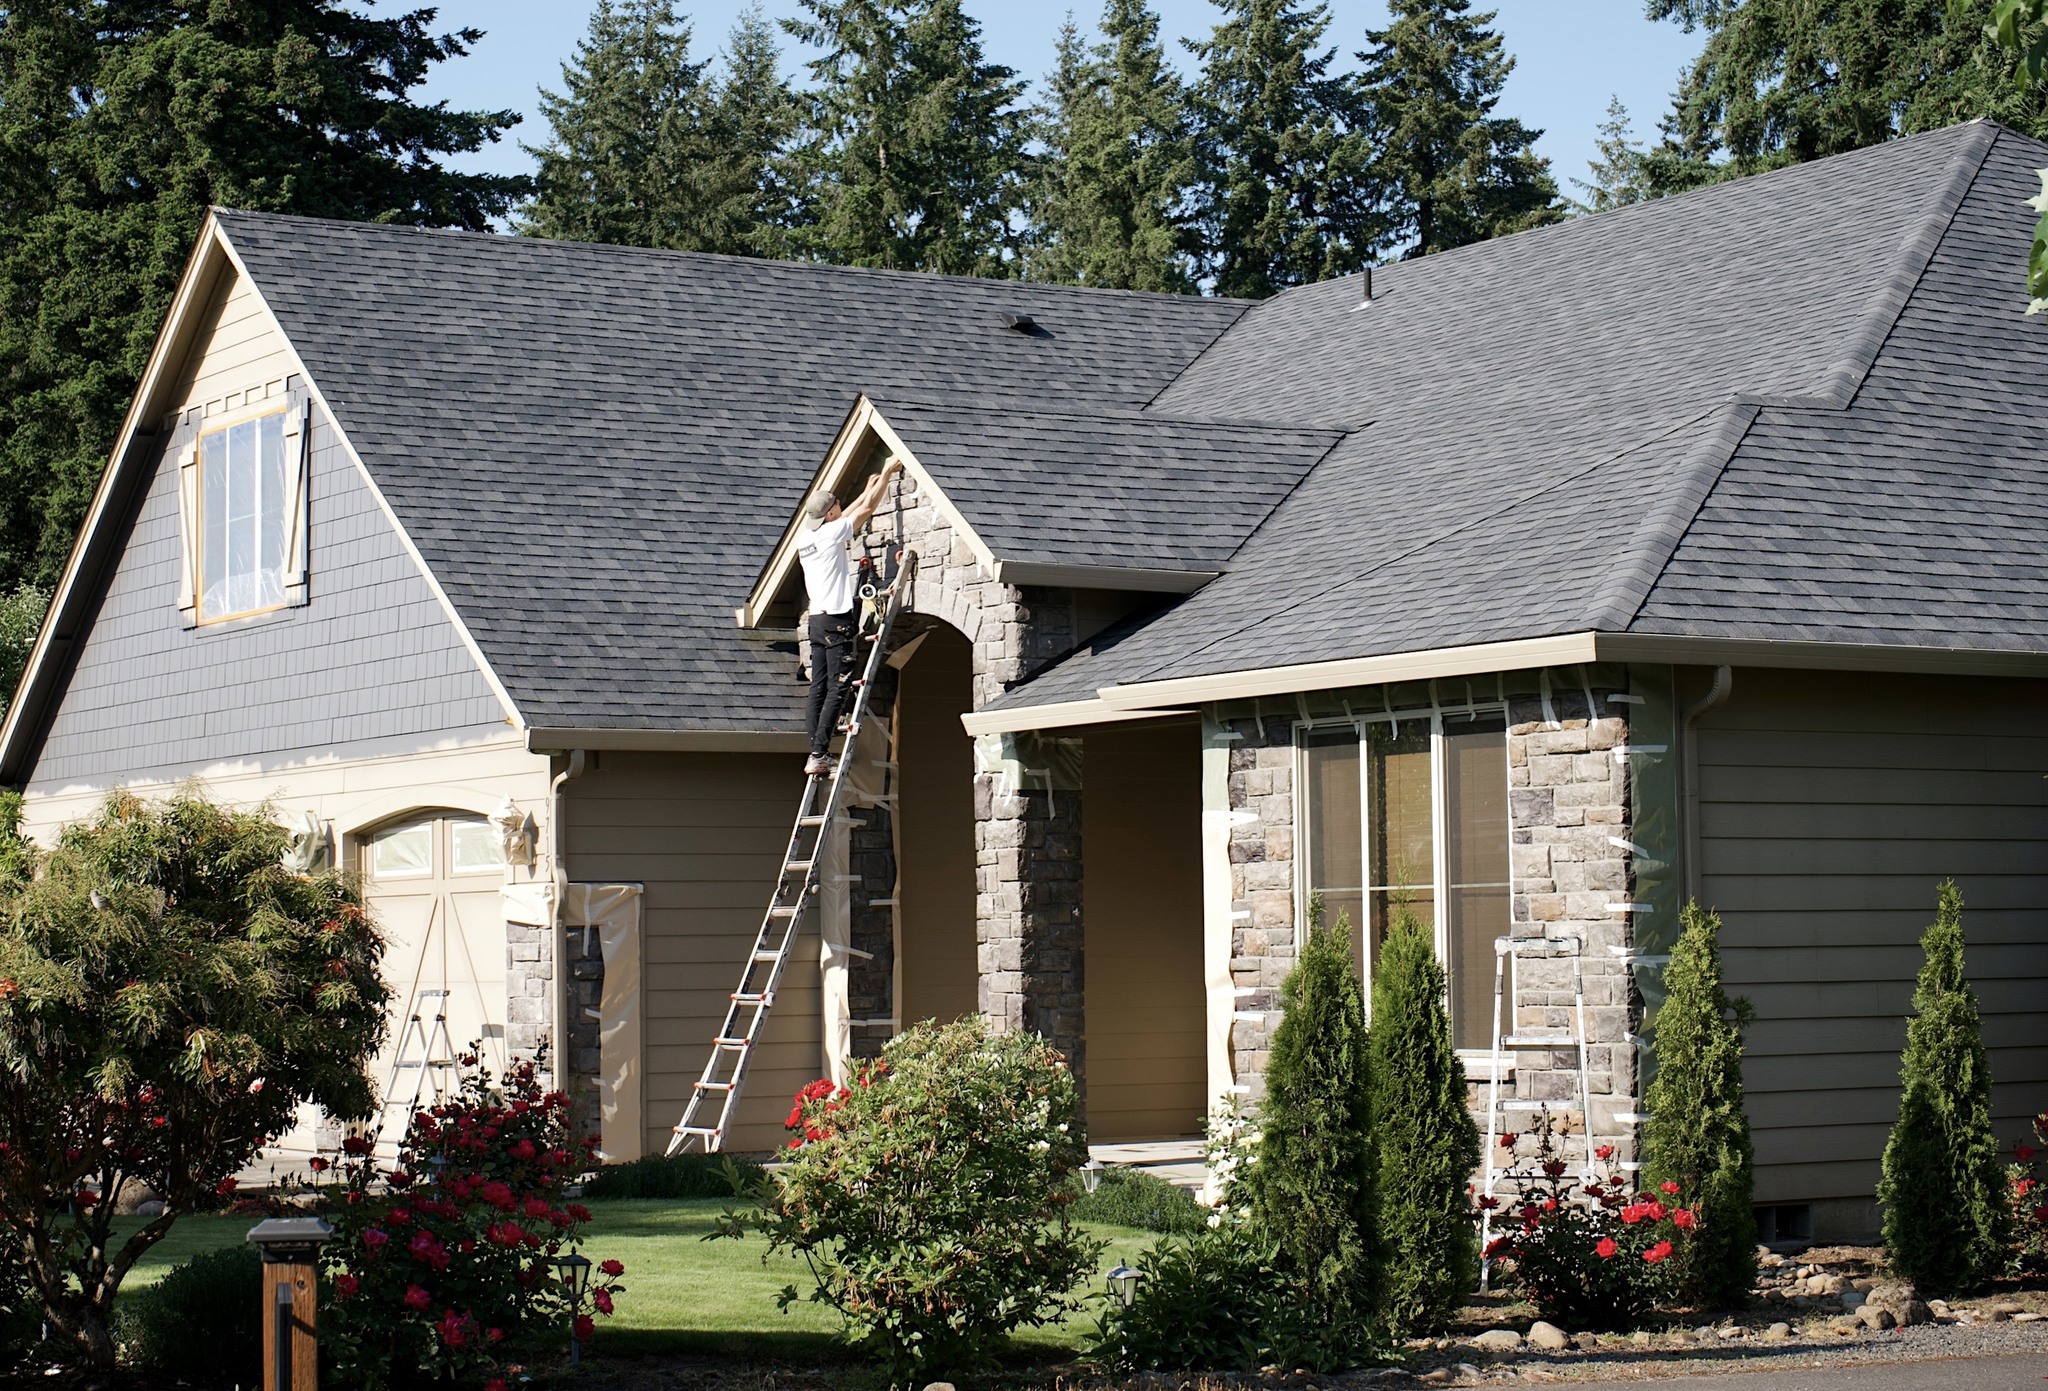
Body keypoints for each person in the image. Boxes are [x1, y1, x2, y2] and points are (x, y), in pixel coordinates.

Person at [796, 457, 903, 776]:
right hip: (837, 621)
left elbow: (848, 512)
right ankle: (820, 753)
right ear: (829, 513)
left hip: (817, 620)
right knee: (838, 686)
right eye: (837, 506)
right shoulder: (831, 536)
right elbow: (865, 512)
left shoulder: (808, 537)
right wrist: (886, 474)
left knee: (819, 686)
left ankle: (814, 749)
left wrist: (867, 488)